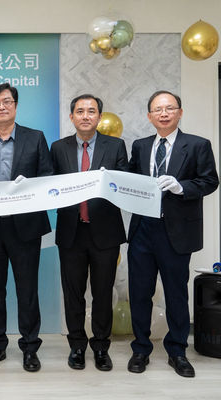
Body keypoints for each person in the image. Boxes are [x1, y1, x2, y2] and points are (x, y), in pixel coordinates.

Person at [126, 90, 218, 378]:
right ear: (149, 116)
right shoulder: (141, 146)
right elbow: (131, 179)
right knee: (139, 293)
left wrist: (182, 187)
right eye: (158, 109)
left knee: (176, 293)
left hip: (176, 232)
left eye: (169, 108)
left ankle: (177, 350)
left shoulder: (198, 145)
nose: (163, 113)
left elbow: (210, 181)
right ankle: (141, 349)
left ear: (180, 112)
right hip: (142, 230)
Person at [0, 83, 52, 372]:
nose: (1, 107)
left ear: (15, 105)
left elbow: (48, 177)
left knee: (27, 290)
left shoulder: (35, 138)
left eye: (6, 101)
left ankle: (30, 347)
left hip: (25, 226)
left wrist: (31, 186)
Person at [50, 94, 128, 371]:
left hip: (105, 232)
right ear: (71, 116)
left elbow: (123, 185)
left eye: (91, 111)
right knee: (73, 294)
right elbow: (50, 186)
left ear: (99, 117)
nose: (85, 116)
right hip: (71, 232)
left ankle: (101, 347)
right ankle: (77, 346)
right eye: (80, 111)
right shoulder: (58, 148)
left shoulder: (116, 146)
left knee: (103, 293)